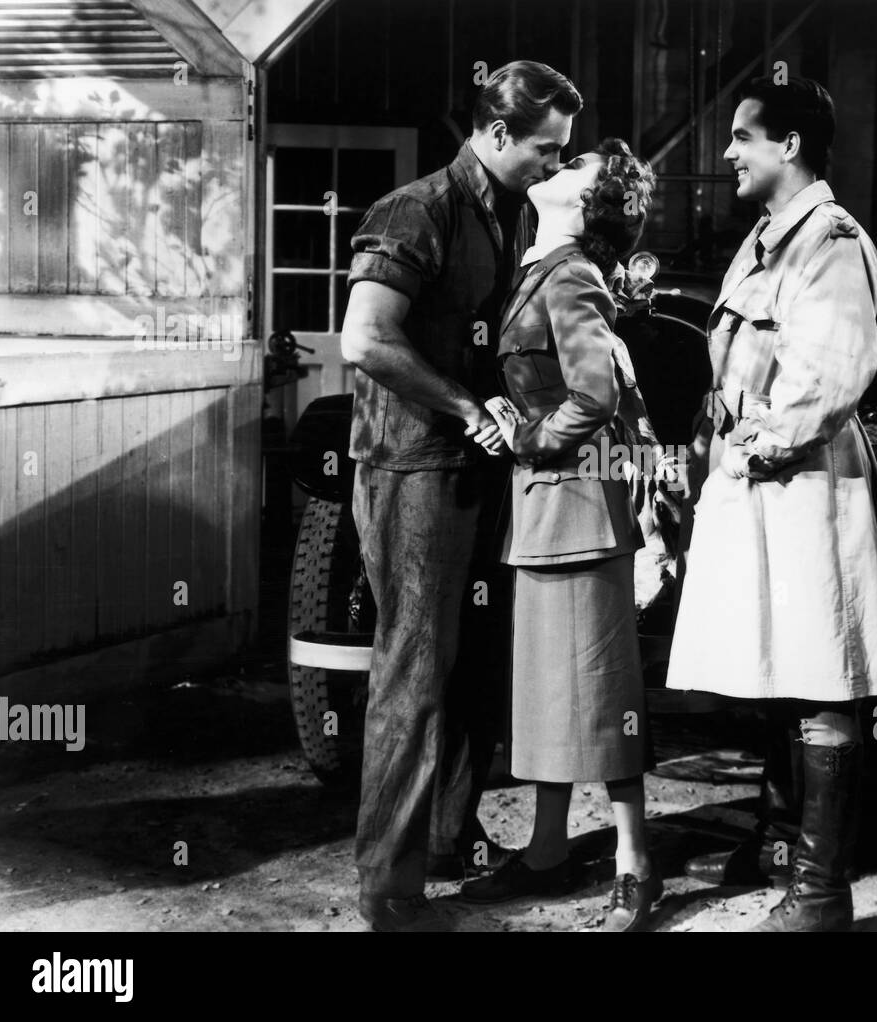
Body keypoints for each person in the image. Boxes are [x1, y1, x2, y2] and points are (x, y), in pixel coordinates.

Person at [340, 60, 583, 933]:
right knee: (414, 669)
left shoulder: (512, 212)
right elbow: (365, 340)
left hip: (480, 468)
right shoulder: (417, 210)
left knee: (473, 667)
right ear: (493, 134)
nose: (555, 166)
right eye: (544, 150)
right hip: (412, 469)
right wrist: (465, 404)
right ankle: (390, 885)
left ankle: (446, 834)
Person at [665, 76, 877, 931]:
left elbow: (833, 374)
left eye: (741, 136)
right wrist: (711, 436)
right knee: (777, 671)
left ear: (790, 145)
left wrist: (752, 446)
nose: (727, 151)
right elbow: (734, 357)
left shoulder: (832, 243)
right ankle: (782, 849)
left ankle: (819, 893)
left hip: (804, 484)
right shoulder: (768, 239)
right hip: (761, 483)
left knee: (819, 678)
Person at [459, 138, 666, 932]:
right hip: (546, 512)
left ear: (589, 203)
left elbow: (595, 394)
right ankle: (546, 849)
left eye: (575, 167)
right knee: (549, 693)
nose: (556, 167)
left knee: (603, 693)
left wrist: (529, 439)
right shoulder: (539, 269)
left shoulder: (573, 273)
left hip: (577, 508)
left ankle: (634, 865)